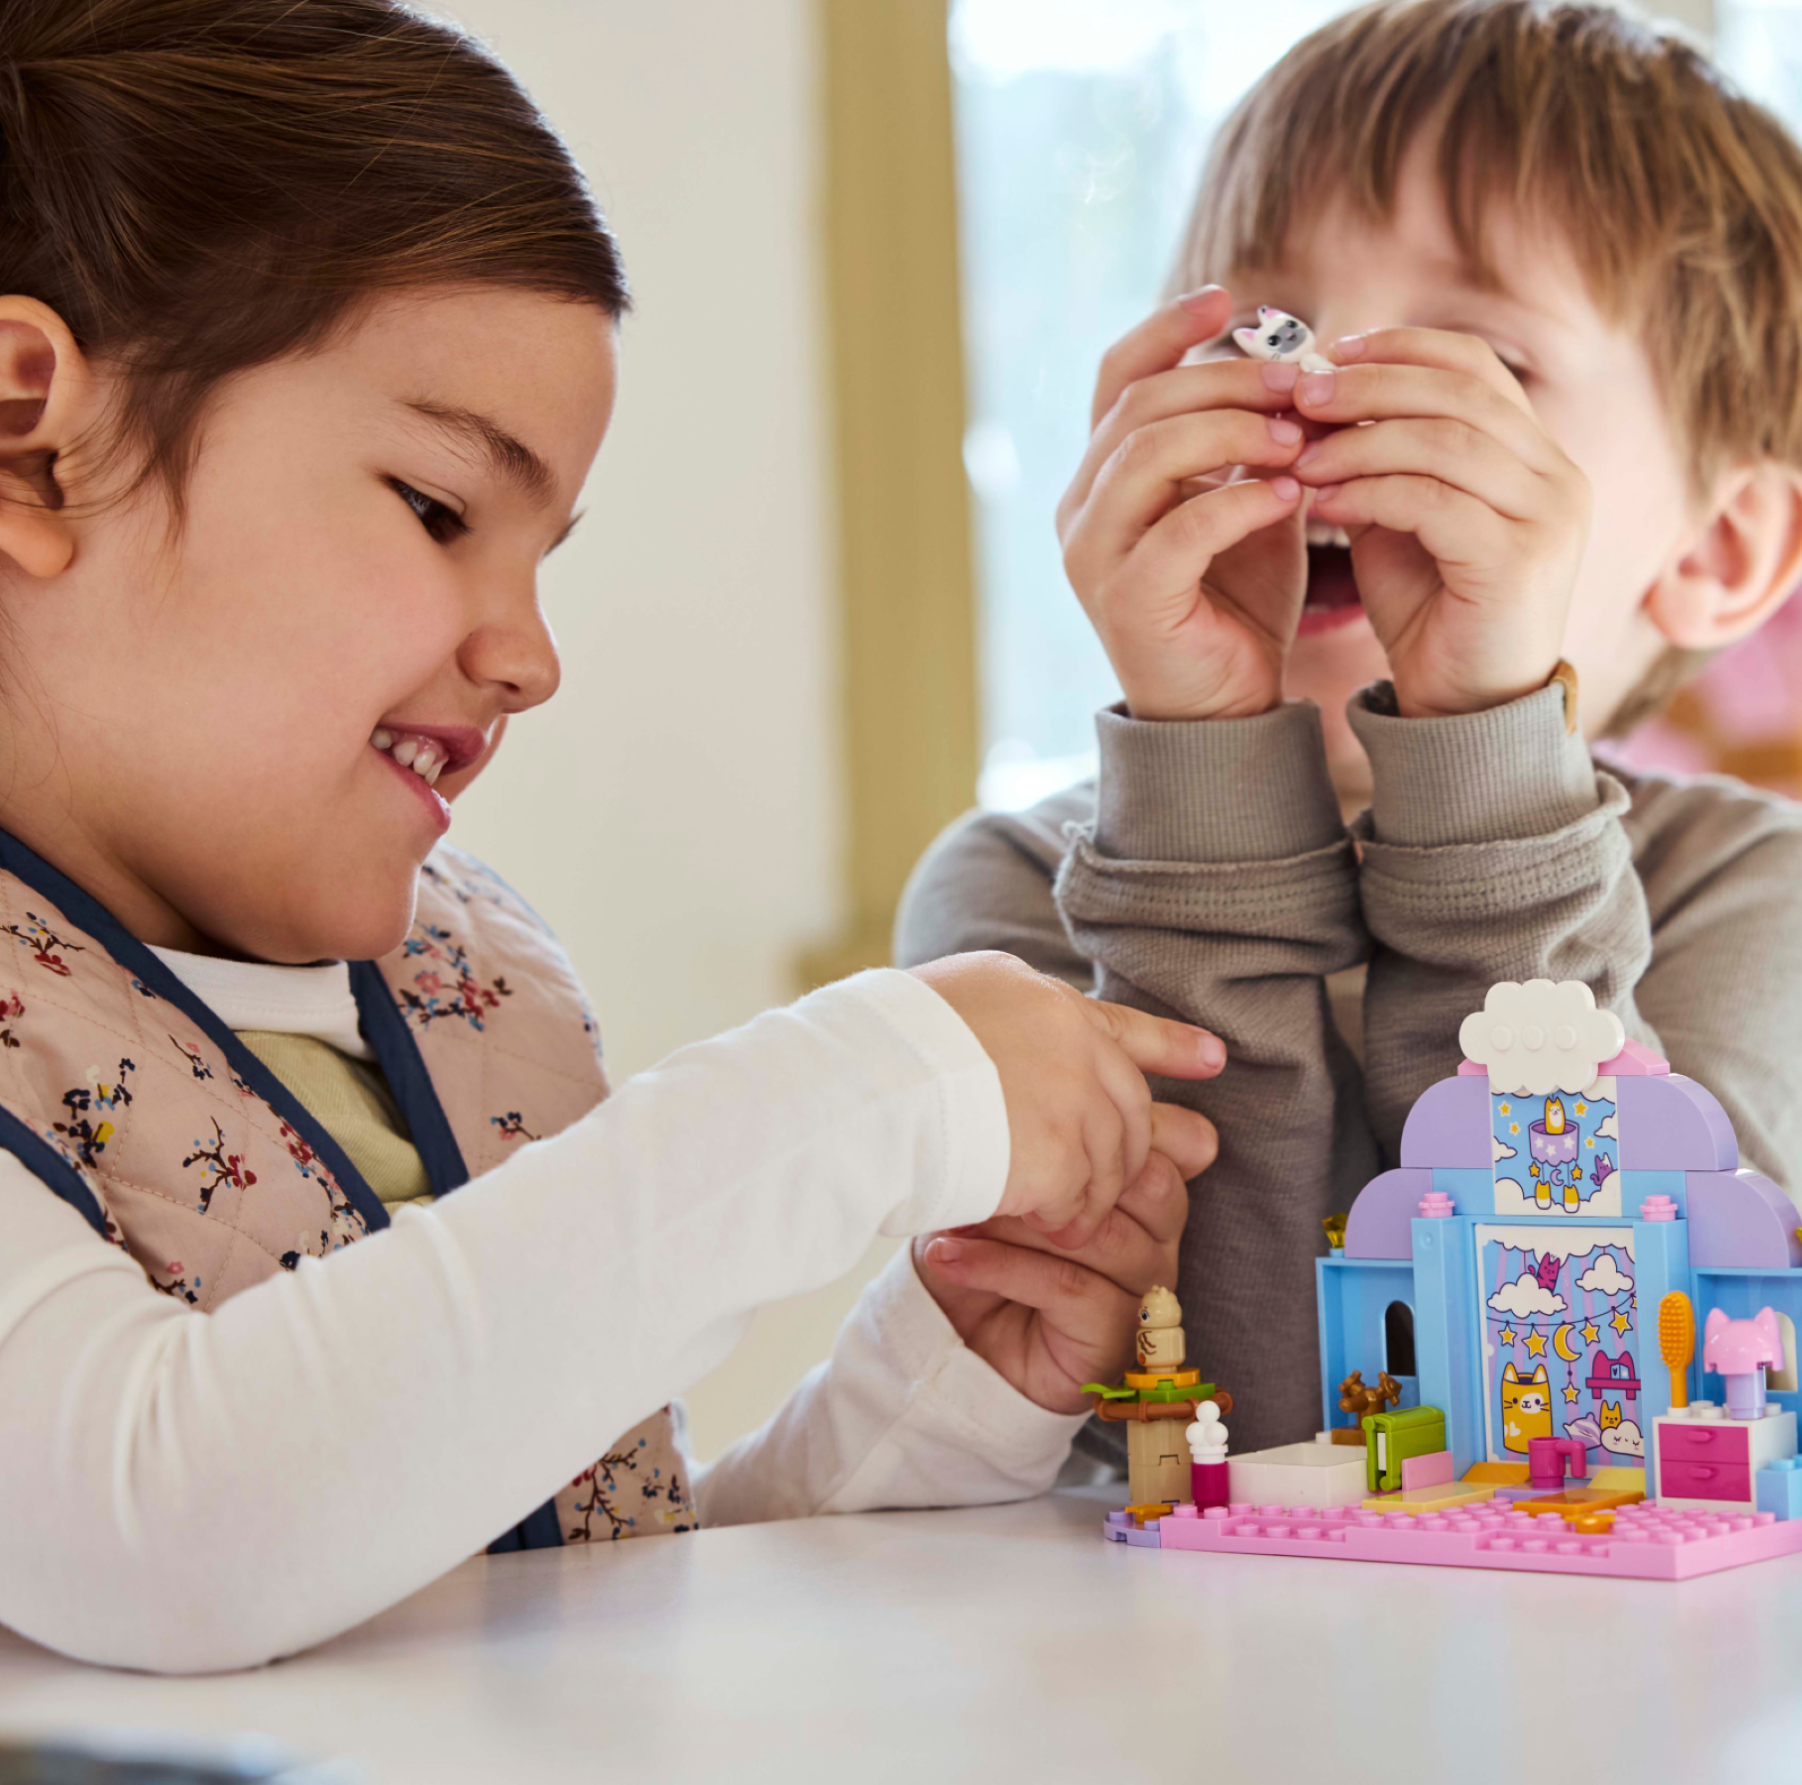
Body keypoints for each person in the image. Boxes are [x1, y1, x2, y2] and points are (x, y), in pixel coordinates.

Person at [0, 0, 1221, 1675]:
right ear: (31, 438)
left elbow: (557, 1597)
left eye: (543, 556)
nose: (529, 654)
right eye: (440, 508)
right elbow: (164, 1533)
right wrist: (845, 1098)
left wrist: (927, 1403)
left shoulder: (468, 981)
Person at [901, 0, 1802, 1452]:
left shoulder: (1756, 893)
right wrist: (1205, 761)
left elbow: (1597, 1419)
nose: (1321, 403)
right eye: (1261, 335)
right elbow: (1233, 1441)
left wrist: (1487, 748)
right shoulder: (1008, 912)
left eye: (1477, 361)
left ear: (1719, 547)